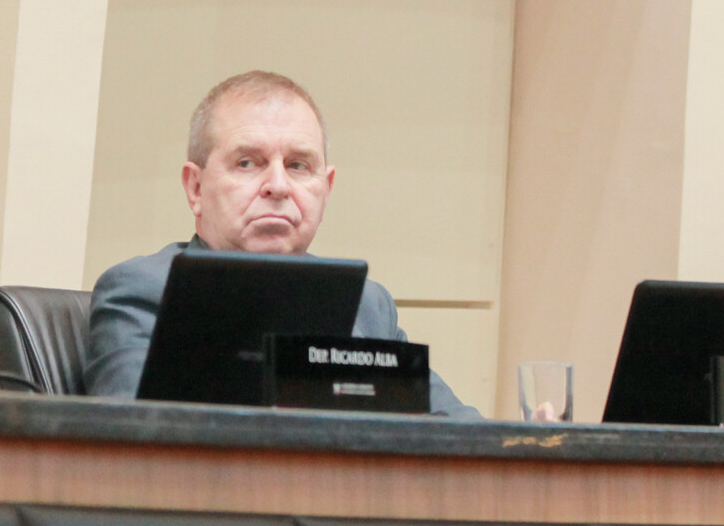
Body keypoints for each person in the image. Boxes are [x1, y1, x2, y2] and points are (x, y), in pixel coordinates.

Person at [82, 71, 479, 416]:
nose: (277, 185)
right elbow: (128, 442)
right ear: (196, 187)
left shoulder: (367, 305)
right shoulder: (142, 289)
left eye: (298, 165)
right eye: (248, 163)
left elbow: (456, 430)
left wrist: (536, 438)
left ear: (326, 188)